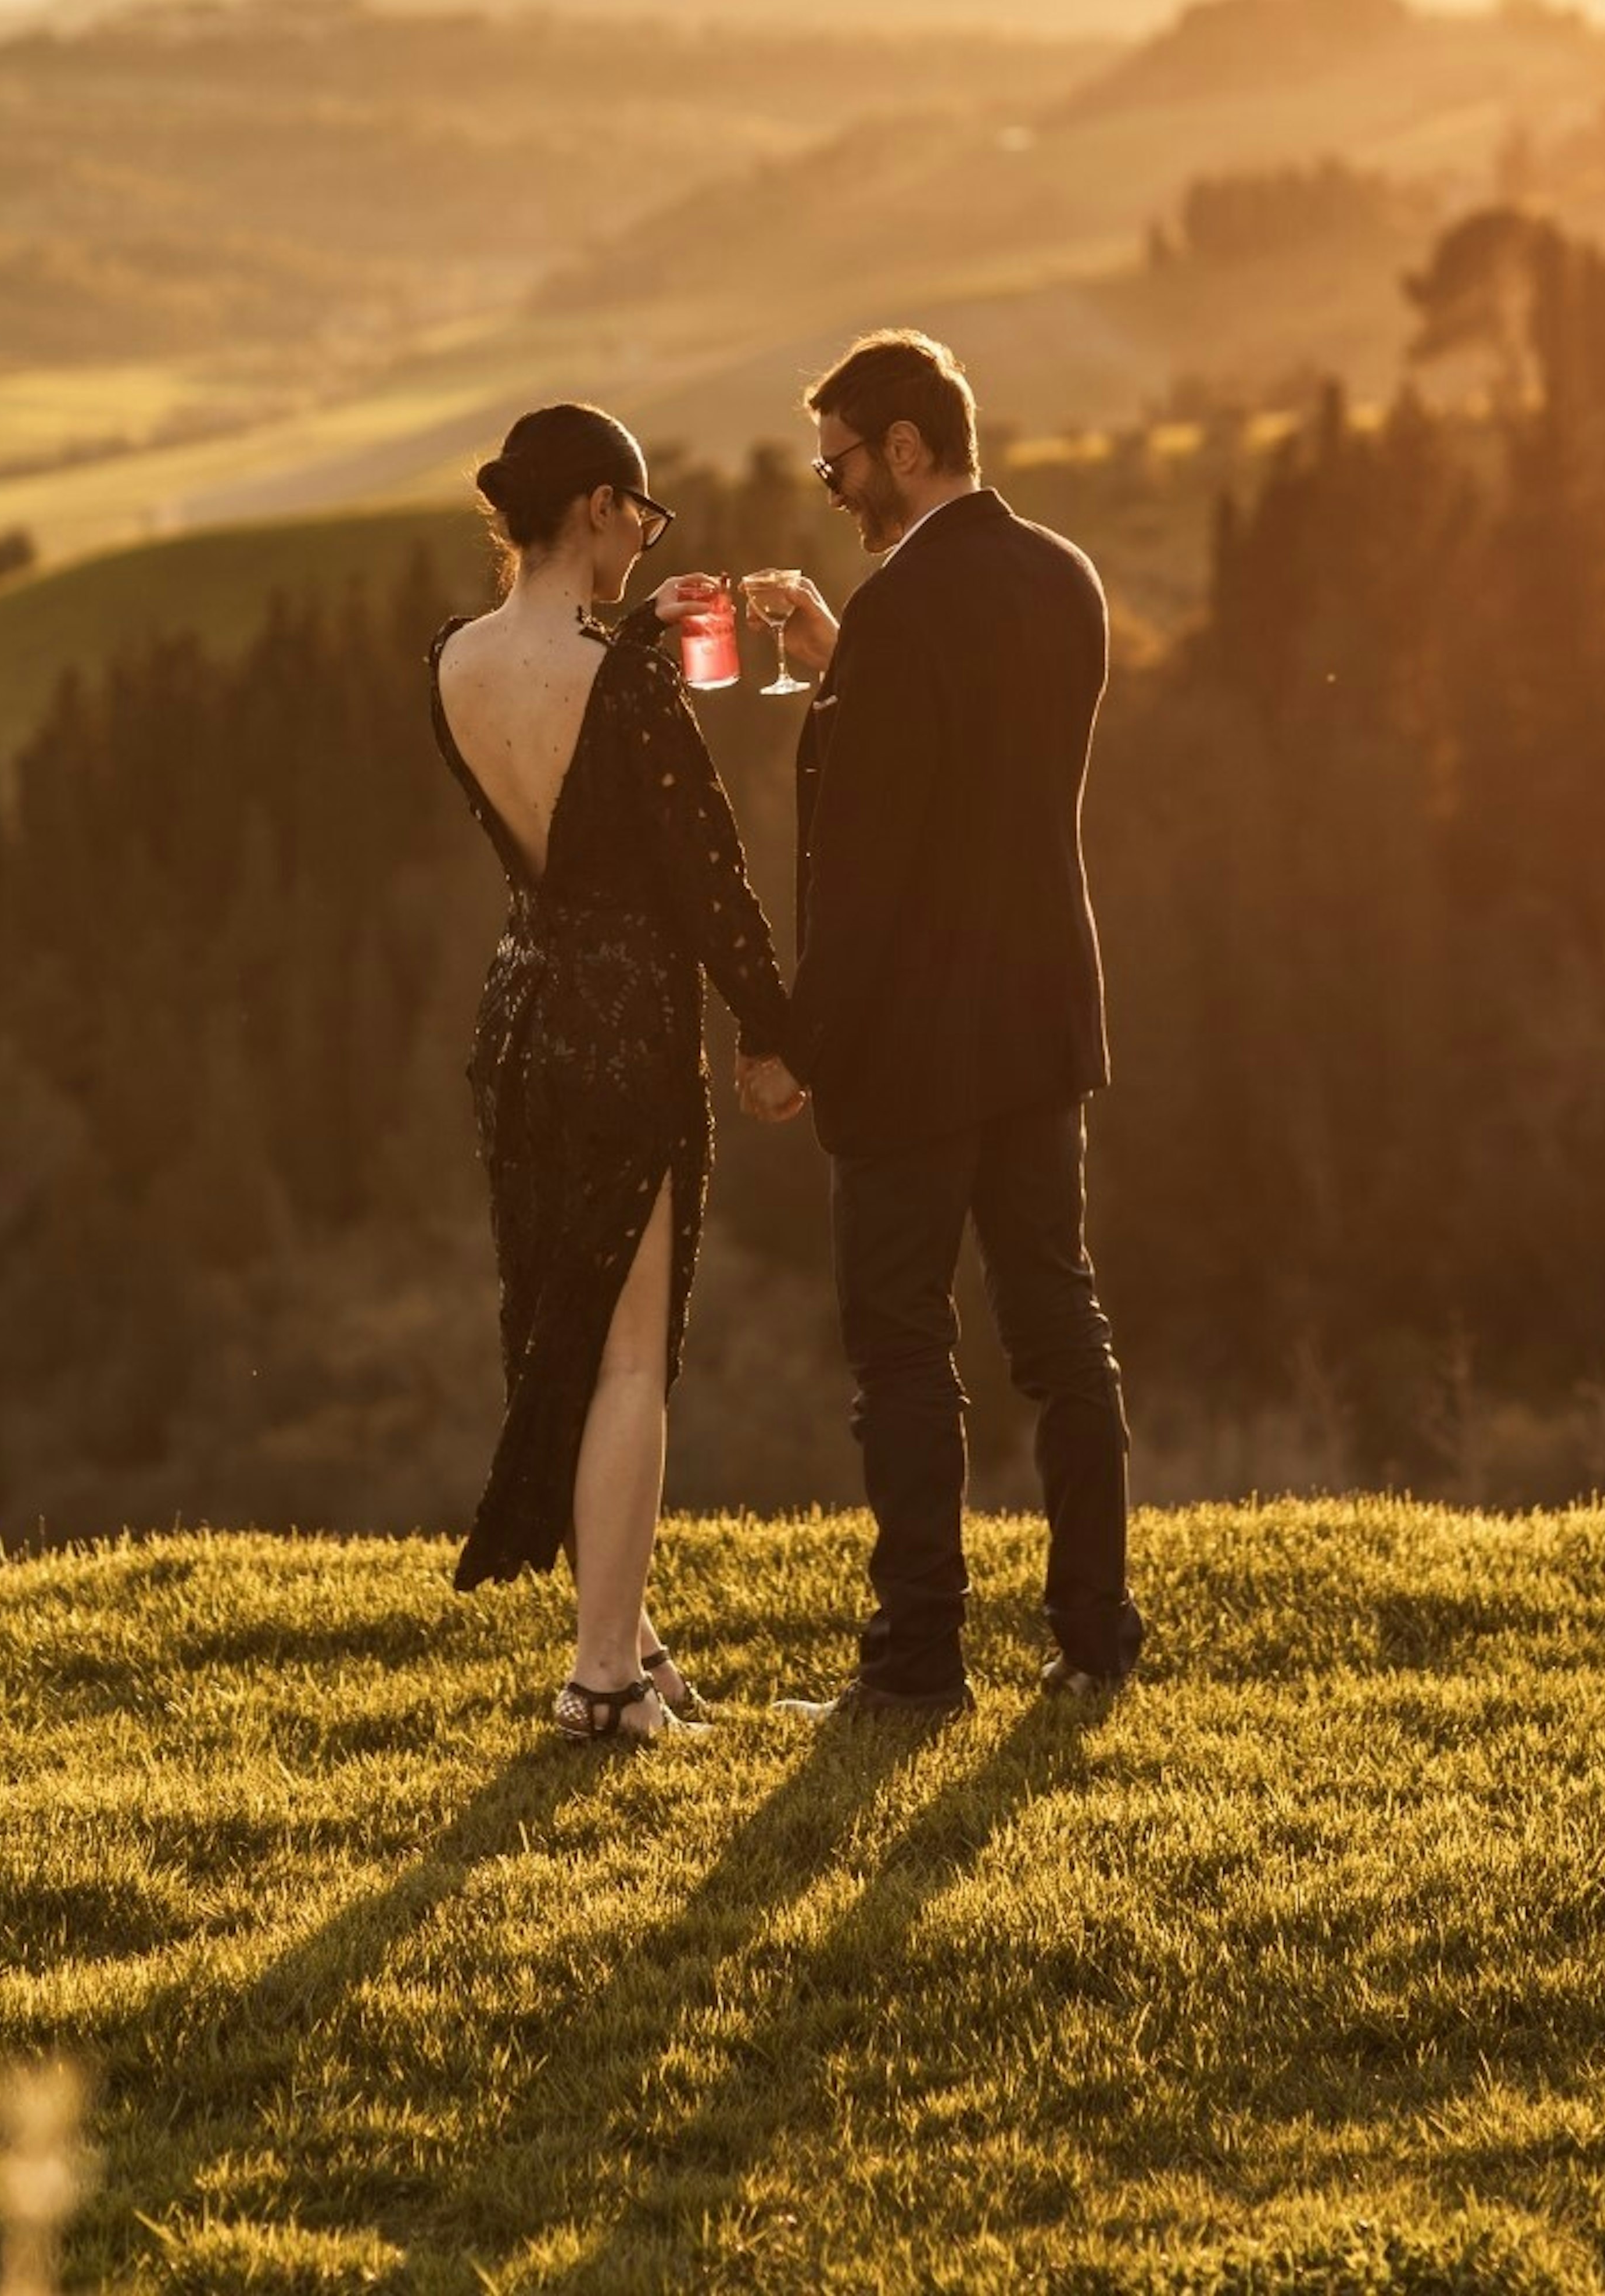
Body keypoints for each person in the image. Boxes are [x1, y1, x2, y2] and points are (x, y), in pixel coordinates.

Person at [742, 330, 1145, 1720]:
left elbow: (868, 867)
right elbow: (974, 764)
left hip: (914, 1040)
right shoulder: (1065, 576)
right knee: (1060, 1326)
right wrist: (844, 662)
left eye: (840, 464)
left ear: (905, 447)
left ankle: (918, 1664)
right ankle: (1094, 1635)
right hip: (1041, 1014)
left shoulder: (903, 610)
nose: (835, 489)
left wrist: (794, 1041)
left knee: (904, 1346)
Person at [427, 402, 802, 1746]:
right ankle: (603, 1682)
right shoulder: (628, 685)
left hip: (520, 1023)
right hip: (624, 1029)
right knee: (631, 1357)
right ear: (596, 506)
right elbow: (707, 879)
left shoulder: (452, 661)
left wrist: (635, 642)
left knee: (563, 1338)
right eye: (642, 514)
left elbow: (561, 812)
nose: (646, 539)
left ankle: (629, 1637)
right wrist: (773, 1032)